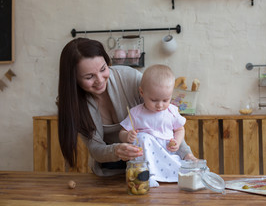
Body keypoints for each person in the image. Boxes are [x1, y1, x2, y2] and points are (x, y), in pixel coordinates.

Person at [57, 38, 195, 176]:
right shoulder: (75, 105)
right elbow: (95, 148)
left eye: (103, 69)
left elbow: (166, 120)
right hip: (109, 170)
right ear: (74, 79)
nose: (99, 80)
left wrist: (186, 155)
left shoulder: (130, 78)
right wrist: (116, 150)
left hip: (151, 164)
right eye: (89, 77)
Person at [119, 65, 185, 185]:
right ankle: (147, 176)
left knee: (181, 169)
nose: (160, 105)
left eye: (165, 100)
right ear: (142, 92)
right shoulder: (136, 113)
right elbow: (122, 132)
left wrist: (177, 142)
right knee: (142, 137)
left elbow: (180, 129)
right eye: (154, 100)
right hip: (145, 155)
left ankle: (168, 174)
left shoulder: (171, 111)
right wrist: (127, 136)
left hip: (166, 152)